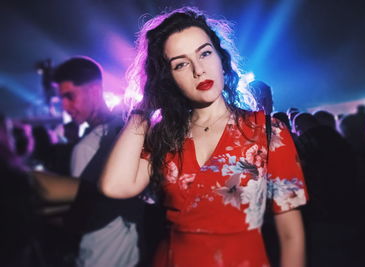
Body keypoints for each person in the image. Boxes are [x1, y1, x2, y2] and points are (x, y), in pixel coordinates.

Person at [100, 7, 307, 267]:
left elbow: (290, 235)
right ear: (167, 78)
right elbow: (114, 186)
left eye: (205, 53)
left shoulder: (268, 131)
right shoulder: (165, 134)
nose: (199, 70)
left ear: (221, 57)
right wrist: (144, 106)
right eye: (181, 64)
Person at [52, 57, 145, 267]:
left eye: (70, 96)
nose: (65, 107)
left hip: (99, 257)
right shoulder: (127, 128)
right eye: (62, 99)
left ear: (93, 91)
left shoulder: (85, 147)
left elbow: (82, 215)